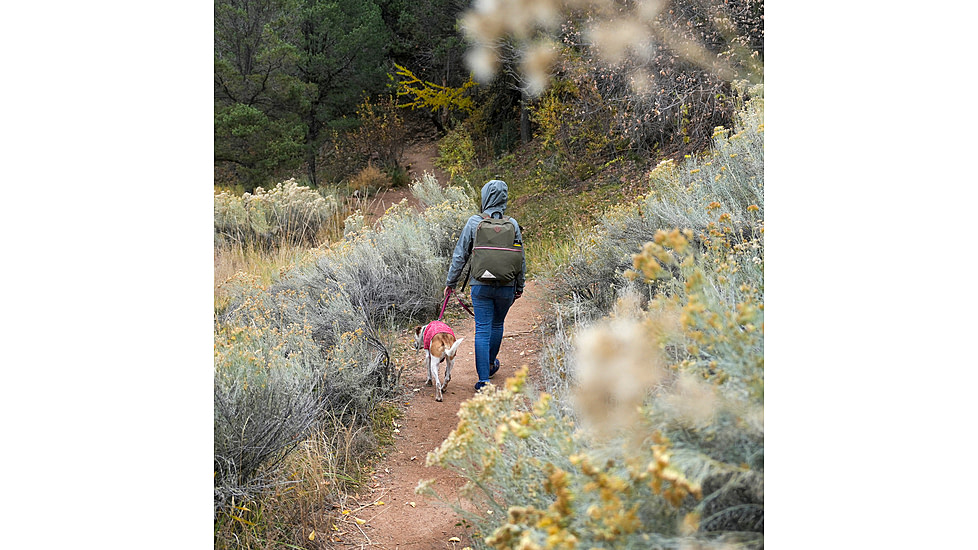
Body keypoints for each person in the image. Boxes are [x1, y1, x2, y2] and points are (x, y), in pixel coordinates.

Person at [445, 179, 526, 391]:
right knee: (497, 325)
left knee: (482, 330)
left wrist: (450, 283)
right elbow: (521, 258)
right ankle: (491, 364)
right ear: (504, 198)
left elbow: (460, 256)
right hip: (507, 285)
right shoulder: (513, 224)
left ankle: (484, 381)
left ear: (484, 197)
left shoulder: (474, 222)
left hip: (480, 285)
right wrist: (520, 285)